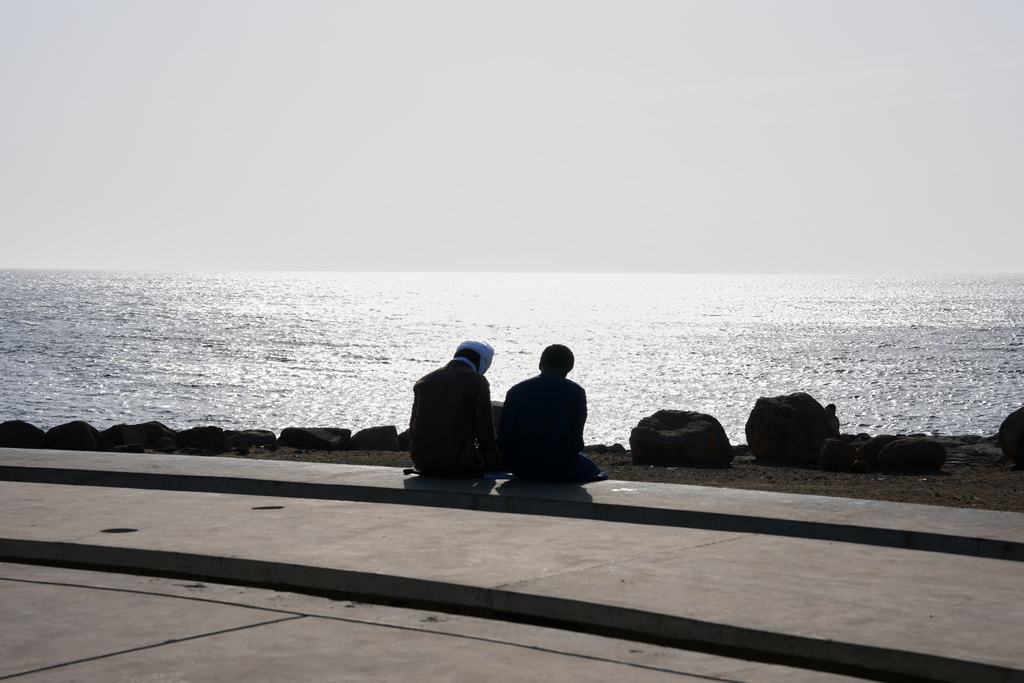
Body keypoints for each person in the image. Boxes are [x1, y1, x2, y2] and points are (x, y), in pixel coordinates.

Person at [497, 344, 607, 482]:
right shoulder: (575, 391)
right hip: (559, 466)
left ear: (540, 364)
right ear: (567, 369)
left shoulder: (515, 390)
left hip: (518, 466)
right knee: (598, 473)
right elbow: (577, 443)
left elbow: (501, 438)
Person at [409, 341, 502, 477]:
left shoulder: (424, 381)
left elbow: (412, 429)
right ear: (482, 362)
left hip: (422, 464)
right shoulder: (477, 381)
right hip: (458, 465)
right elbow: (485, 431)